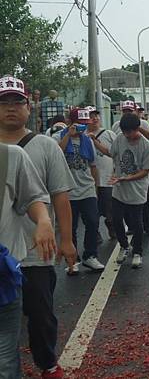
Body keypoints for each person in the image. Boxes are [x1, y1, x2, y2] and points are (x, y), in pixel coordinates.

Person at [0, 77, 74, 379]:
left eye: (17, 102)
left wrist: (66, 240)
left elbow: (59, 195)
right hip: (2, 254)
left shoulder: (45, 146)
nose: (10, 109)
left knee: (41, 316)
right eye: (3, 103)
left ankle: (46, 362)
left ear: (29, 107)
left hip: (34, 253)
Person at [0, 141, 56, 379]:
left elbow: (34, 197)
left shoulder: (10, 156)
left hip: (3, 276)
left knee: (5, 359)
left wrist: (43, 220)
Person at [53, 108, 105, 274]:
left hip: (87, 187)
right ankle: (72, 259)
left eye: (85, 124)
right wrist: (68, 134)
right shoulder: (57, 137)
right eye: (80, 124)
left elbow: (93, 165)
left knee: (92, 221)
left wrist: (96, 187)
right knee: (70, 226)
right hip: (66, 189)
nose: (83, 127)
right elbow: (55, 155)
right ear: (70, 122)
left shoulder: (87, 140)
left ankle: (91, 255)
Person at [108, 113, 149, 269]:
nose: (126, 135)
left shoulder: (146, 146)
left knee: (137, 223)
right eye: (124, 132)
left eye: (129, 132)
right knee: (116, 219)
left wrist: (126, 178)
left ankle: (137, 252)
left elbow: (146, 171)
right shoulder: (119, 139)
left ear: (137, 129)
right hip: (119, 189)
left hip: (137, 190)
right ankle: (124, 246)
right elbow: (111, 154)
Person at [112, 101, 149, 235]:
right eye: (124, 111)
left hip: (141, 170)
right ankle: (131, 227)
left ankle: (147, 226)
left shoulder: (142, 124)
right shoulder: (117, 126)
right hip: (124, 169)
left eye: (130, 111)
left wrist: (137, 128)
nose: (127, 113)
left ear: (135, 111)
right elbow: (114, 149)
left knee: (145, 200)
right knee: (123, 205)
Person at [86, 107, 117, 240]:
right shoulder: (81, 136)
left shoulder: (109, 134)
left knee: (110, 209)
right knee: (92, 211)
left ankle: (112, 227)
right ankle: (95, 233)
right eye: (91, 116)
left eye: (97, 115)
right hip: (89, 181)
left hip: (108, 179)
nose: (95, 118)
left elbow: (116, 153)